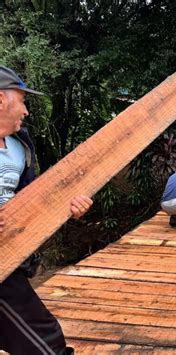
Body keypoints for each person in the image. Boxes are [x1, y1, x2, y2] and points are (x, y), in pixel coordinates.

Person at [0, 66, 93, 354]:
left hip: (10, 255)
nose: (26, 111)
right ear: (1, 100)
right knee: (46, 344)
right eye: (23, 101)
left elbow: (33, 200)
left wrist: (68, 206)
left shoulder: (20, 147)